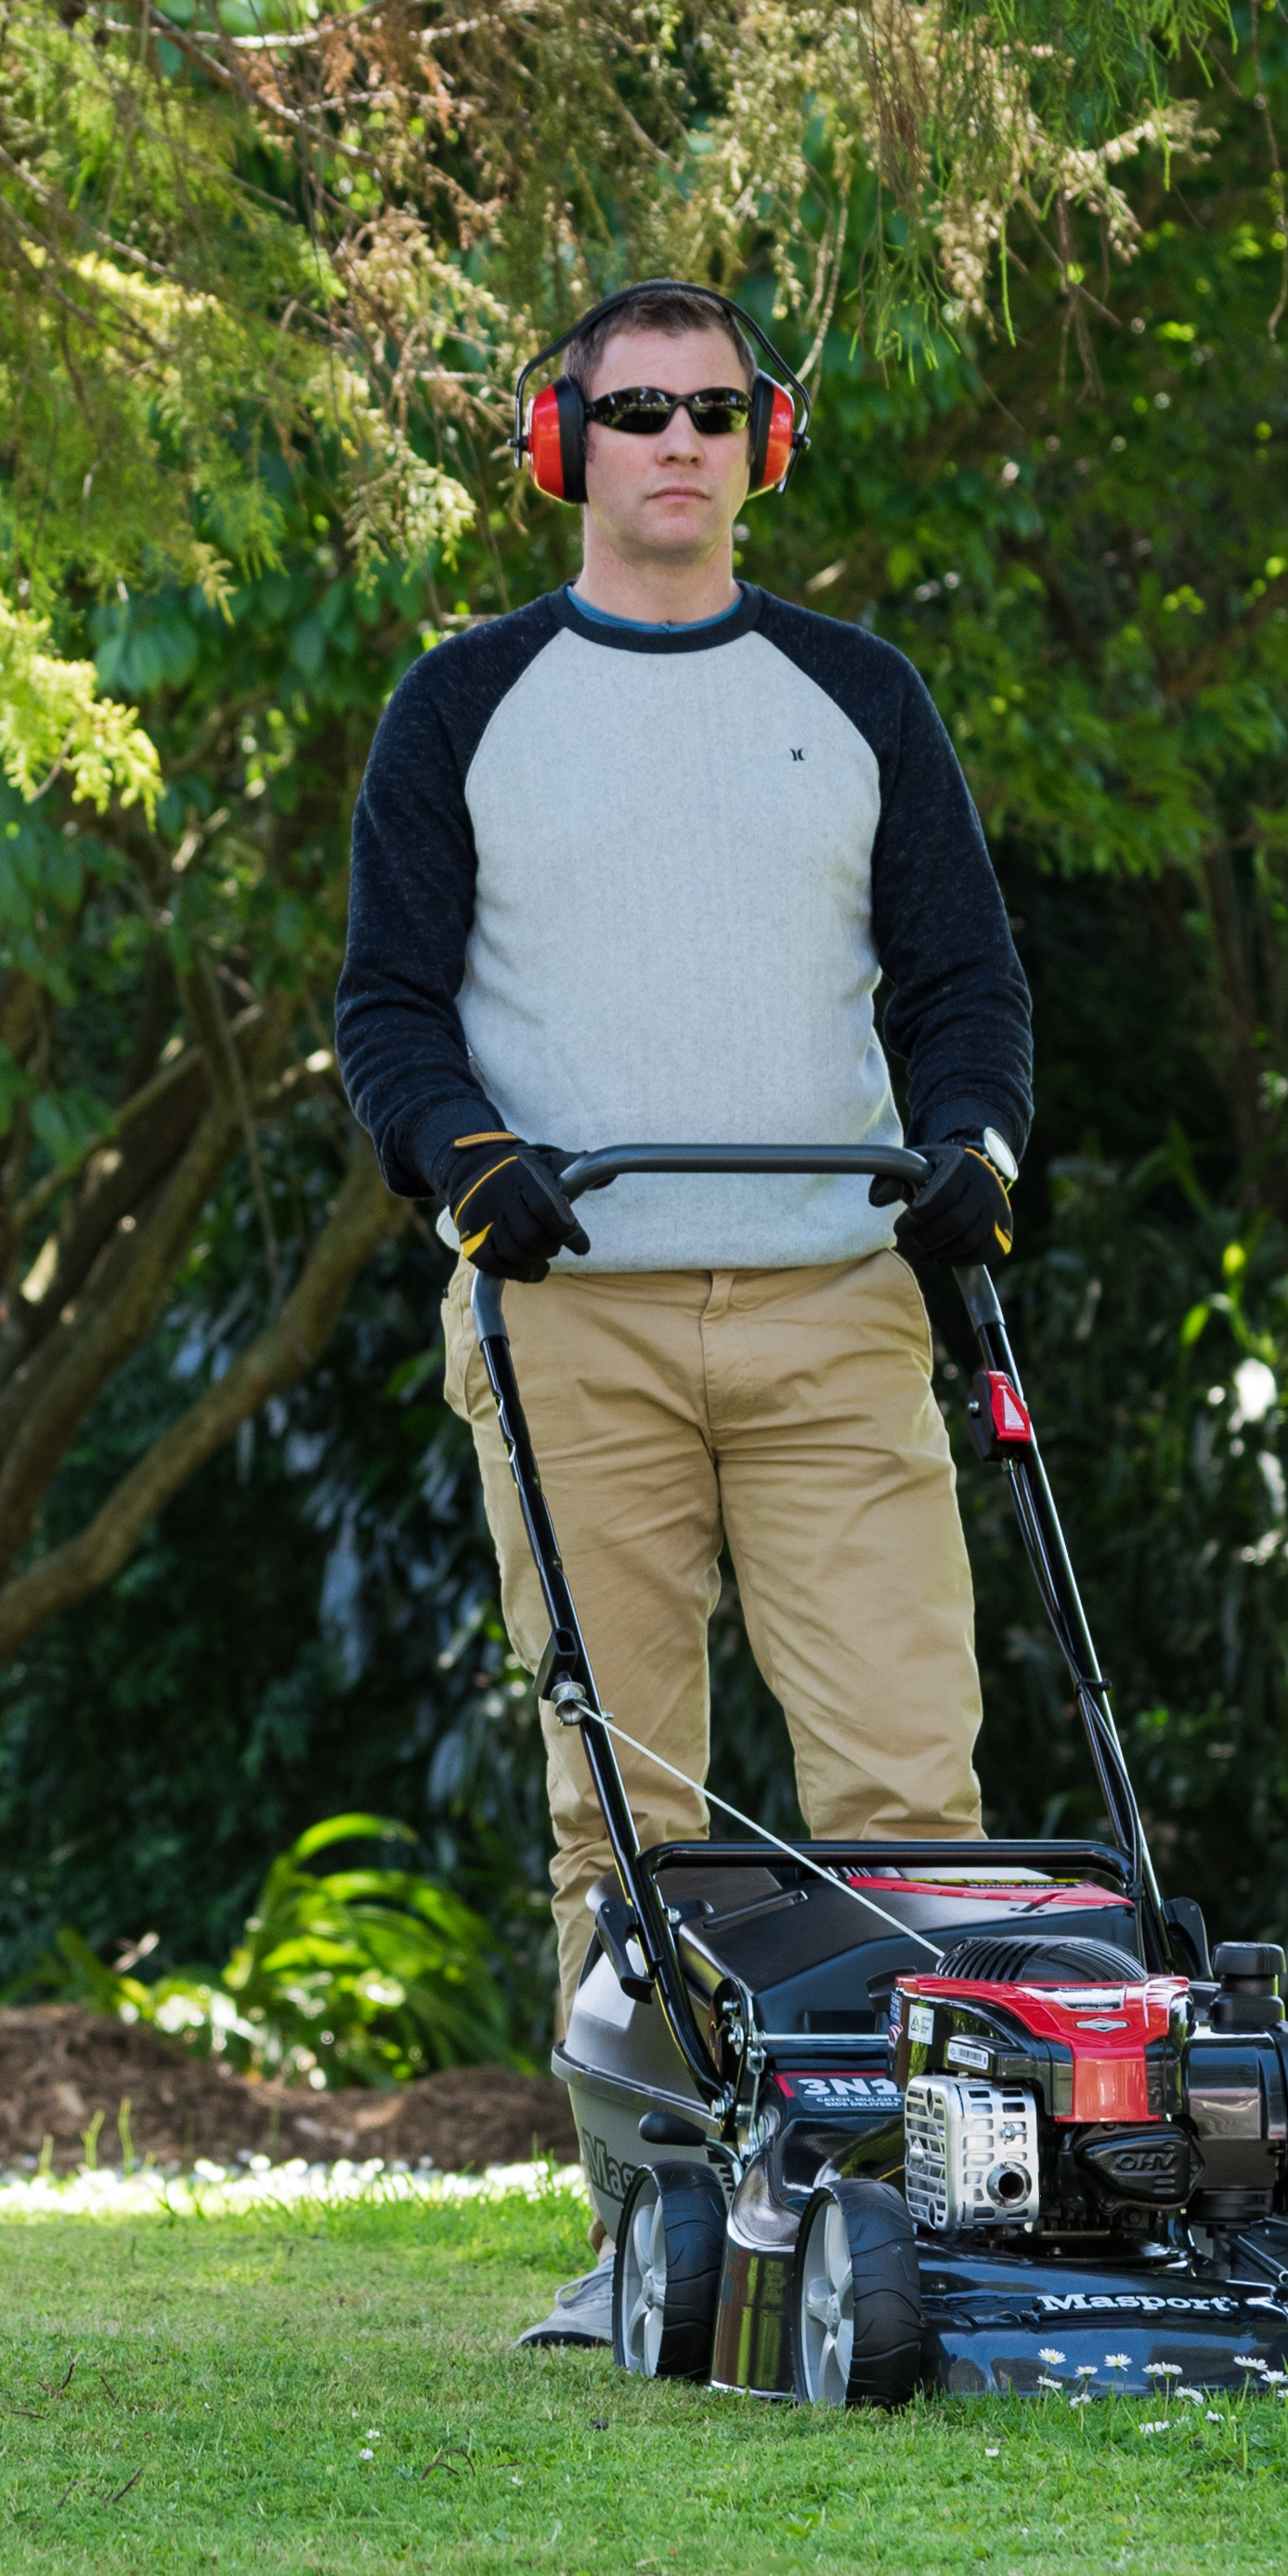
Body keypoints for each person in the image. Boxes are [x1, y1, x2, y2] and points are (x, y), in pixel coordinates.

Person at [332, 279, 1035, 2021]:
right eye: (637, 411)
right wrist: (462, 1153)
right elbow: (387, 1011)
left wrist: (979, 1149)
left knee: (910, 1801)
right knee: (624, 1811)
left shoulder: (860, 694)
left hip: (836, 1311)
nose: (677, 443)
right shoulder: (461, 706)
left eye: (715, 412)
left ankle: (925, 2210)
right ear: (562, 446)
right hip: (571, 1315)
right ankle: (646, 2252)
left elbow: (967, 986)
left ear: (764, 444)